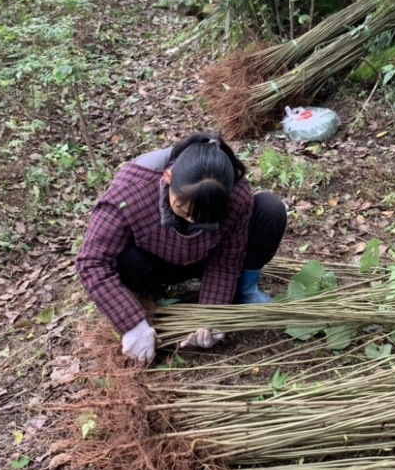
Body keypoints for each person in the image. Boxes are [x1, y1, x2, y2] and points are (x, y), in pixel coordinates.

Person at [76, 133, 287, 364]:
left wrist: (210, 315)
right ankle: (145, 299)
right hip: (151, 263)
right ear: (168, 177)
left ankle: (243, 291)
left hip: (202, 259)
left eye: (199, 218)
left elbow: (226, 261)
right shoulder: (130, 191)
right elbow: (91, 262)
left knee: (270, 209)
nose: (189, 218)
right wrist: (131, 324)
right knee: (124, 258)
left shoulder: (236, 195)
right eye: (183, 210)